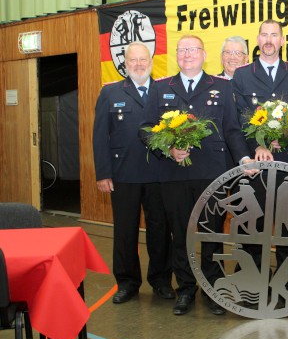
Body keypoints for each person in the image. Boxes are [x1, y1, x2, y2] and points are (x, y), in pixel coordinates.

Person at [141, 35, 254, 316]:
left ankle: (213, 287)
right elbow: (145, 128)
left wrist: (243, 159)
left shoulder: (222, 87)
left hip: (211, 173)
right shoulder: (160, 88)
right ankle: (187, 288)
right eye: (182, 50)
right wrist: (167, 148)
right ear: (176, 55)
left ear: (205, 55)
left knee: (212, 232)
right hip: (173, 173)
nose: (187, 54)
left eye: (193, 50)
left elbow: (231, 130)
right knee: (180, 233)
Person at [93, 41, 173, 304]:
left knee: (160, 231)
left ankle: (161, 280)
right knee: (125, 231)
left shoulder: (165, 90)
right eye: (133, 60)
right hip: (123, 174)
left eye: (143, 60)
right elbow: (100, 137)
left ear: (151, 62)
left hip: (159, 174)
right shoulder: (110, 92)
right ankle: (127, 283)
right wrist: (103, 173)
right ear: (125, 64)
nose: (139, 64)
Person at [231, 19, 288, 272]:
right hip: (256, 165)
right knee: (253, 224)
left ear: (282, 40)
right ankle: (251, 279)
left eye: (274, 35)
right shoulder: (242, 75)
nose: (268, 40)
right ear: (257, 40)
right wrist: (258, 144)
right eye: (264, 35)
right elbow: (241, 117)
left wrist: (286, 136)